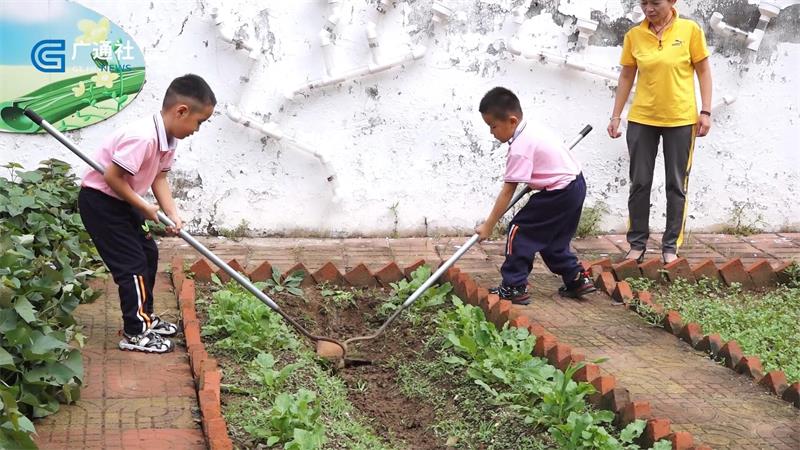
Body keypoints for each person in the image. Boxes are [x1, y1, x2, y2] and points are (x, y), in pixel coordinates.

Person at [78, 74, 216, 352]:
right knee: (131, 266)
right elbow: (112, 177)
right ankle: (135, 331)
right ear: (181, 111)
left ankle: (146, 317)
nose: (198, 129)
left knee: (148, 255)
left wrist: (172, 213)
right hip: (101, 202)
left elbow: (159, 178)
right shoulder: (143, 138)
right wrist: (143, 206)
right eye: (200, 122)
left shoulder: (168, 138)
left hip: (122, 201)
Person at [608, 0, 712, 264]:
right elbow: (626, 77)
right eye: (643, 3)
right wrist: (616, 116)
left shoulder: (690, 31)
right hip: (642, 119)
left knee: (676, 184)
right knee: (639, 182)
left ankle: (670, 247)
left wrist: (706, 111)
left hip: (681, 119)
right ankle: (637, 244)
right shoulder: (634, 35)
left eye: (655, 2)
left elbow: (703, 71)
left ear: (672, 1)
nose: (648, 9)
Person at [475, 87, 596, 304]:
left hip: (559, 191)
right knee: (553, 240)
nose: (491, 132)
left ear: (512, 121)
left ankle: (514, 286)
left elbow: (507, 191)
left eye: (493, 126)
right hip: (575, 185)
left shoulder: (520, 146)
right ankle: (576, 278)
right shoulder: (533, 128)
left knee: (519, 231)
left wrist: (489, 225)